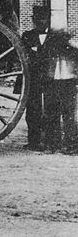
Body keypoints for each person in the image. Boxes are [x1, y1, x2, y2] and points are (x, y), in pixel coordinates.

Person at [42, 25, 78, 153]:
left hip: (68, 83)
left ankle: (70, 145)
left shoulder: (73, 49)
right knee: (52, 114)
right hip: (52, 83)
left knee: (68, 115)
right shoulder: (49, 50)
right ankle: (53, 145)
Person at [21, 6, 51, 150]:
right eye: (37, 20)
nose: (40, 22)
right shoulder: (27, 36)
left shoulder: (54, 37)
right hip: (32, 79)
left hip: (49, 79)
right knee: (32, 110)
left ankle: (48, 141)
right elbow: (22, 56)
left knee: (50, 109)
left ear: (48, 20)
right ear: (33, 20)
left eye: (43, 19)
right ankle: (33, 141)